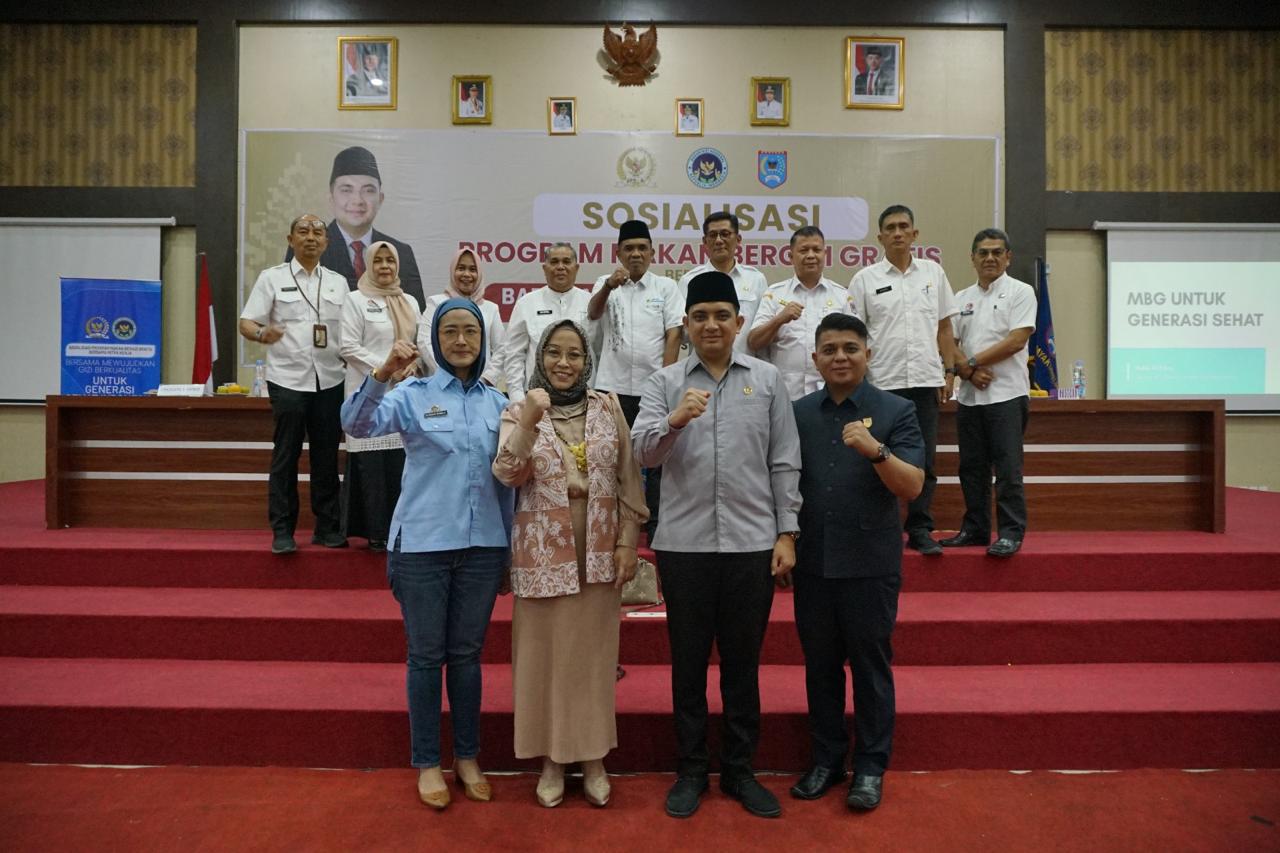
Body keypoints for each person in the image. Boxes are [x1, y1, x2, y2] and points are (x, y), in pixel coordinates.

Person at [632, 271, 802, 820]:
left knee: (742, 665)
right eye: (700, 316)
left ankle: (739, 770)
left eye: (721, 316)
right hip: (684, 545)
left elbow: (784, 459)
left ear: (738, 322)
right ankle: (690, 770)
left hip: (752, 544)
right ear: (686, 323)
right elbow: (642, 455)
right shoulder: (663, 383)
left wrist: (786, 531)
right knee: (687, 664)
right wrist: (675, 420)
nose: (711, 325)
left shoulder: (768, 380)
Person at [341, 298, 514, 810]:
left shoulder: (499, 403)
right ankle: (427, 762)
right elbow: (356, 425)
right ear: (434, 340)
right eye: (450, 331)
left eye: (470, 331)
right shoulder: (412, 394)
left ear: (483, 340)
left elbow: (509, 482)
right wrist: (382, 373)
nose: (461, 340)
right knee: (425, 657)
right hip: (422, 547)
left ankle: (467, 757)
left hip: (483, 548)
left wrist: (508, 550)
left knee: (467, 657)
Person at [493, 320, 648, 808]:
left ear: (587, 361)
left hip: (599, 546)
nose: (564, 363)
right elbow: (507, 473)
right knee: (543, 659)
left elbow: (628, 475)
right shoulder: (519, 409)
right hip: (541, 549)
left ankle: (594, 757)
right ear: (540, 357)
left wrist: (628, 541)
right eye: (554, 353)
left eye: (574, 354)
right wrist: (528, 421)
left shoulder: (608, 406)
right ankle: (552, 761)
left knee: (592, 660)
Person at [789, 313, 925, 812]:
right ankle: (826, 761)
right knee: (820, 668)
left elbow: (912, 486)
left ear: (868, 354)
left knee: (870, 669)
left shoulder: (897, 410)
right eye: (829, 350)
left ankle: (870, 767)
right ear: (815, 359)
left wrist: (876, 451)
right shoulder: (798, 413)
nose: (840, 357)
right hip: (813, 563)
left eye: (850, 348)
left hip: (870, 564)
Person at [847, 205, 959, 556]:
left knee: (923, 460)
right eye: (891, 228)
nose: (897, 233)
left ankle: (920, 528)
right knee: (877, 458)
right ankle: (880, 528)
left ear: (915, 234)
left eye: (903, 227)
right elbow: (855, 337)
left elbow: (944, 327)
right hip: (882, 384)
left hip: (925, 381)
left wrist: (949, 370)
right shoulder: (864, 279)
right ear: (880, 237)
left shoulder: (933, 273)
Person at [238, 213, 348, 555]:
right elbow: (246, 322)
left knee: (326, 456)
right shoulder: (272, 278)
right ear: (290, 240)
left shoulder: (339, 283)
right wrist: (262, 333)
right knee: (286, 455)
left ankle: (327, 527)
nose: (310, 237)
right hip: (287, 379)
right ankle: (283, 530)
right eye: (303, 232)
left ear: (327, 242)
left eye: (317, 232)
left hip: (330, 379)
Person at [942, 228, 1036, 558]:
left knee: (1008, 470)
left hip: (1007, 395)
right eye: (983, 253)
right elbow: (949, 342)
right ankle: (975, 529)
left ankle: (1010, 532)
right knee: (972, 468)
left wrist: (970, 363)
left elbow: (1016, 341)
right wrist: (968, 372)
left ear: (1008, 257)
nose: (990, 258)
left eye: (997, 252)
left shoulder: (1021, 292)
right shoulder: (960, 297)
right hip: (970, 397)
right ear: (972, 258)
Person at [588, 219, 682, 536]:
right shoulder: (605, 283)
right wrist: (608, 286)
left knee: (655, 458)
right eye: (629, 248)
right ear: (618, 253)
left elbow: (674, 334)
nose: (636, 254)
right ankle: (610, 524)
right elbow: (592, 313)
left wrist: (666, 380)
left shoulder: (665, 287)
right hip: (610, 388)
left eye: (642, 248)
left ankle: (655, 526)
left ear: (653, 253)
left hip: (652, 389)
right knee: (610, 456)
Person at [338, 241, 422, 551]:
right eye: (378, 261)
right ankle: (374, 532)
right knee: (371, 465)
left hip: (403, 393)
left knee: (399, 464)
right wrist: (387, 367)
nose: (385, 266)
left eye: (390, 261)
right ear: (368, 265)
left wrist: (412, 366)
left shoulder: (409, 301)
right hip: (368, 391)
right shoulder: (355, 300)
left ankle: (399, 531)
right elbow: (348, 347)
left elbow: (419, 344)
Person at [286, 146, 425, 310]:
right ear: (331, 198)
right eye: (346, 190)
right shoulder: (306, 248)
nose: (357, 200)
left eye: (368, 191)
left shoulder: (401, 253)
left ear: (380, 199)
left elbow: (416, 313)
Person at [749, 226, 852, 399]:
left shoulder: (841, 295)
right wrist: (779, 320)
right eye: (804, 250)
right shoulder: (774, 294)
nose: (811, 255)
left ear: (825, 254)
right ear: (791, 256)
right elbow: (754, 342)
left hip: (831, 393)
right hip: (785, 394)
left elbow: (854, 344)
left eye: (816, 250)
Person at [502, 243, 591, 403]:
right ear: (544, 268)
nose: (560, 267)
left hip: (582, 399)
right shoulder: (526, 303)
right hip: (536, 398)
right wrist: (517, 398)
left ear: (577, 268)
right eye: (554, 262)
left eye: (566, 261)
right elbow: (514, 355)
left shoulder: (591, 303)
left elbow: (596, 353)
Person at [677, 211, 767, 357]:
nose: (719, 240)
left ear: (738, 239)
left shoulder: (756, 279)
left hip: (746, 365)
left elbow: (762, 329)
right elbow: (683, 333)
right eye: (713, 235)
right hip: (702, 366)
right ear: (704, 241)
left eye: (725, 234)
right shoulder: (689, 280)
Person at [418, 248, 506, 387]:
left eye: (472, 269)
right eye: (461, 268)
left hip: (479, 387)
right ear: (453, 271)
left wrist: (487, 379)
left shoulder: (491, 308)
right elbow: (424, 341)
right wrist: (447, 376)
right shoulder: (436, 303)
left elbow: (502, 348)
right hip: (441, 386)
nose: (466, 274)